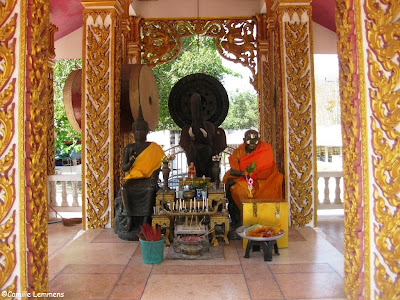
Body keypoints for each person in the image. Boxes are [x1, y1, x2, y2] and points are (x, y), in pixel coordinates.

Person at [114, 108, 165, 240]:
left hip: (148, 178)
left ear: (146, 132)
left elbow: (157, 165)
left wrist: (154, 176)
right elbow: (125, 169)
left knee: (149, 189)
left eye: (142, 130)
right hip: (134, 178)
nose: (139, 133)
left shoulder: (153, 147)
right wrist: (130, 161)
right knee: (125, 188)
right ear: (133, 132)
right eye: (136, 130)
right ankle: (130, 218)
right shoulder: (129, 148)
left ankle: (145, 220)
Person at [223, 129, 283, 226]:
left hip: (263, 180)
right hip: (244, 180)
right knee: (237, 190)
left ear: (259, 139)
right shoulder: (239, 151)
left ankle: (261, 219)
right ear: (244, 139)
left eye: (255, 140)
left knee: (268, 192)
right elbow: (233, 170)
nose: (252, 143)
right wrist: (244, 174)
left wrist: (253, 175)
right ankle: (246, 217)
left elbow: (268, 170)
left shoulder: (265, 150)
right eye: (249, 140)